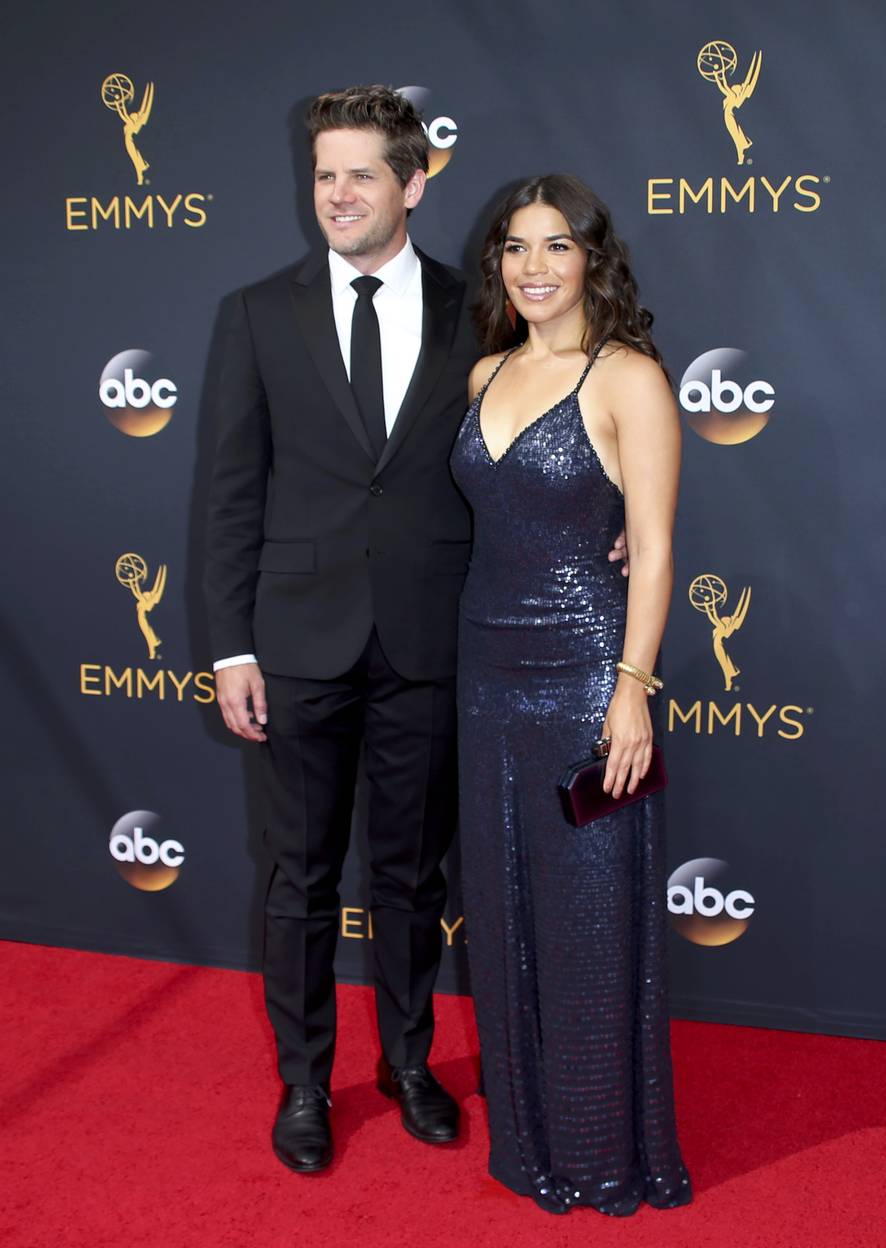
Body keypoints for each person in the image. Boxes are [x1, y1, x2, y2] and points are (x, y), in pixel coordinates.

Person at [203, 85, 481, 1173]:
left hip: (428, 639)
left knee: (412, 881)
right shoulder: (257, 313)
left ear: (414, 183)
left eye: (361, 173)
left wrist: (598, 529)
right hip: (296, 645)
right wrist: (231, 646)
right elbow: (232, 490)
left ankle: (408, 1066)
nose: (337, 193)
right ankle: (306, 1083)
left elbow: (527, 444)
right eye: (324, 173)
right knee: (300, 880)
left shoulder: (478, 310)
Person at [450, 174, 692, 1215]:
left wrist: (629, 688)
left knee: (589, 919)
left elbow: (654, 547)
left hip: (589, 674)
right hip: (483, 677)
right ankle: (530, 1140)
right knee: (504, 914)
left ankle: (603, 1150)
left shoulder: (627, 376)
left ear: (592, 256)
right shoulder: (481, 374)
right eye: (514, 247)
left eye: (555, 246)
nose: (532, 267)